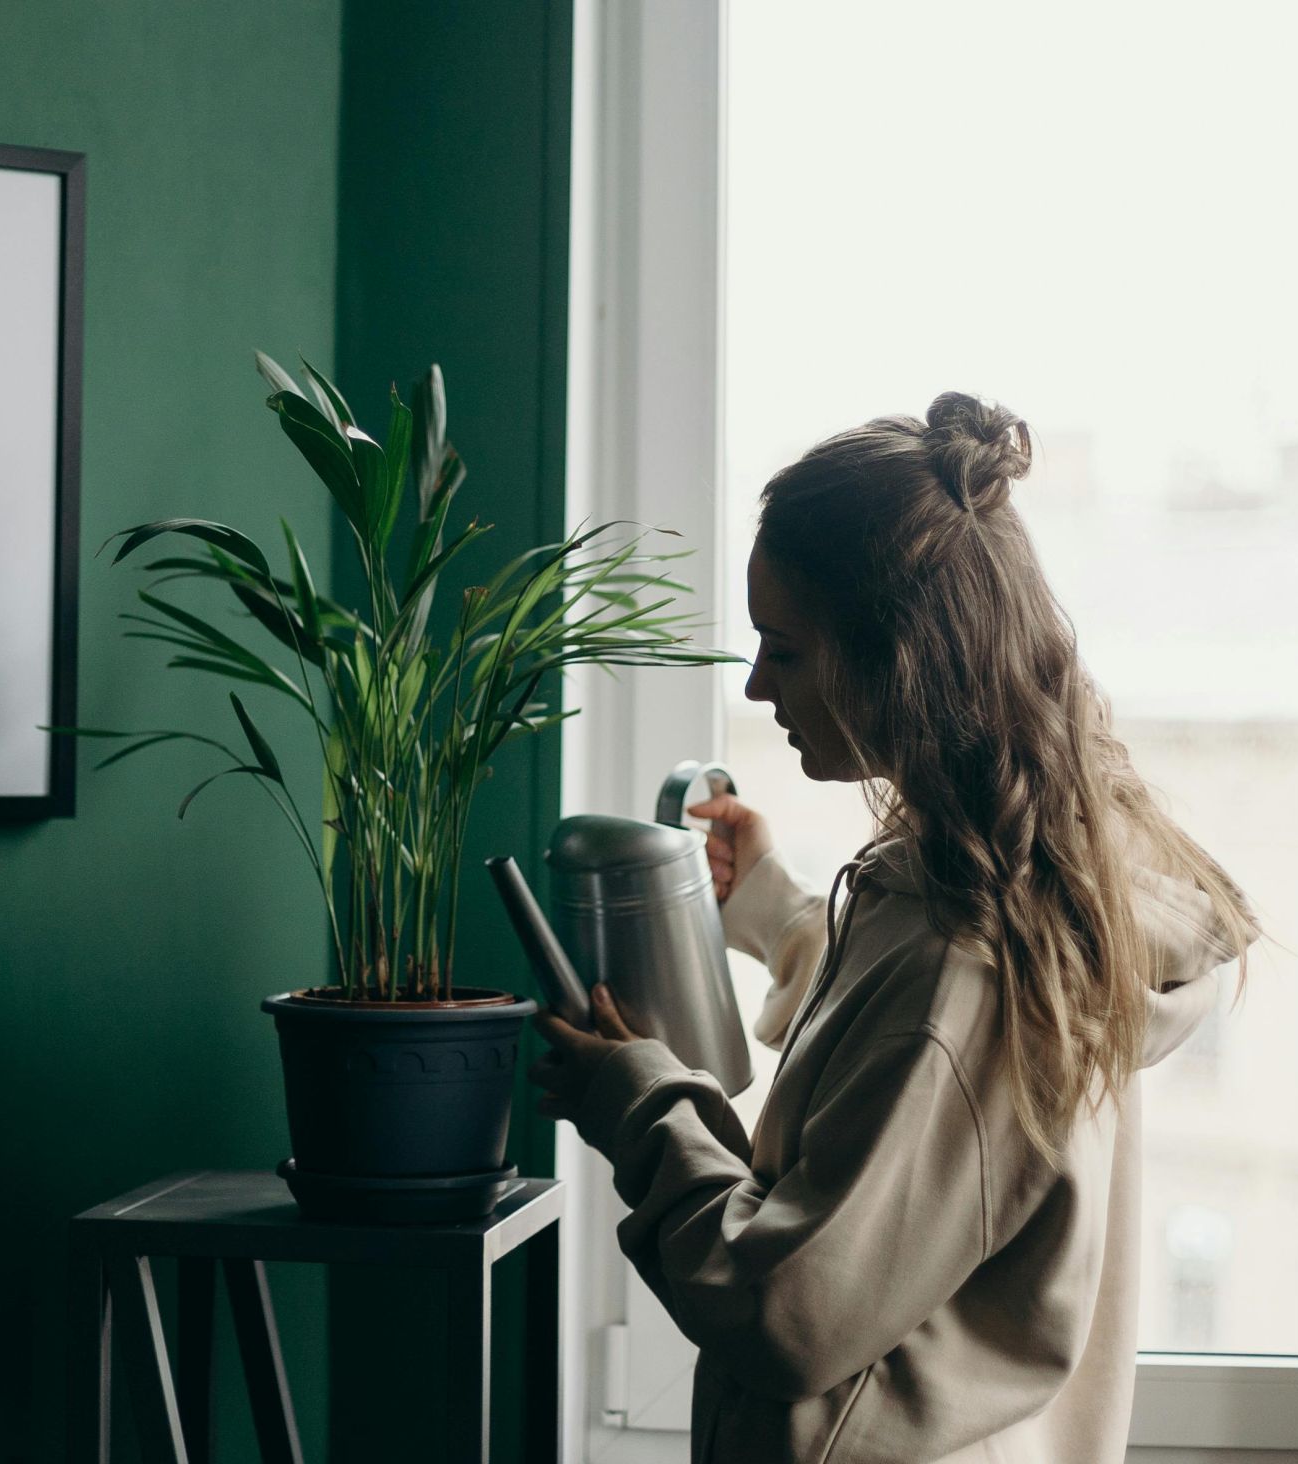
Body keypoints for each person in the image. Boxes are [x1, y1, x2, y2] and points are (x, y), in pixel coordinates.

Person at [530, 392, 1259, 1463]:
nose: (756, 684)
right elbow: (928, 1097)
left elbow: (788, 1310)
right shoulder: (1037, 882)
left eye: (784, 648)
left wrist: (642, 1108)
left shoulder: (964, 962)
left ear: (896, 657)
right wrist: (778, 911)